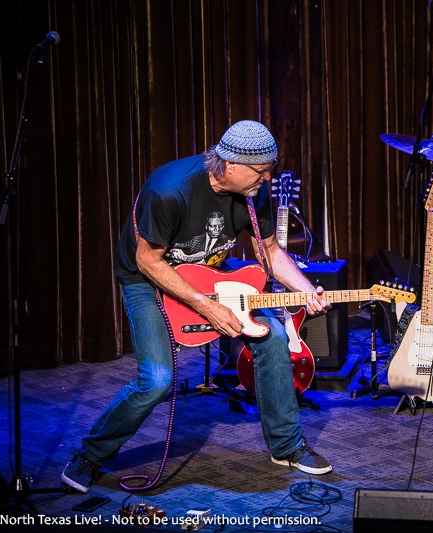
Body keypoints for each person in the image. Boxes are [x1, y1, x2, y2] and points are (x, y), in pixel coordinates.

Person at [62, 120, 333, 493]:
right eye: (261, 170)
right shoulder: (170, 191)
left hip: (207, 274)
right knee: (157, 379)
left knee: (272, 339)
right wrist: (207, 307)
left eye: (269, 169)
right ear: (230, 164)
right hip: (147, 279)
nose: (267, 178)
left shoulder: (253, 191)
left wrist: (305, 290)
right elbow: (148, 261)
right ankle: (89, 455)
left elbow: (268, 249)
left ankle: (286, 446)